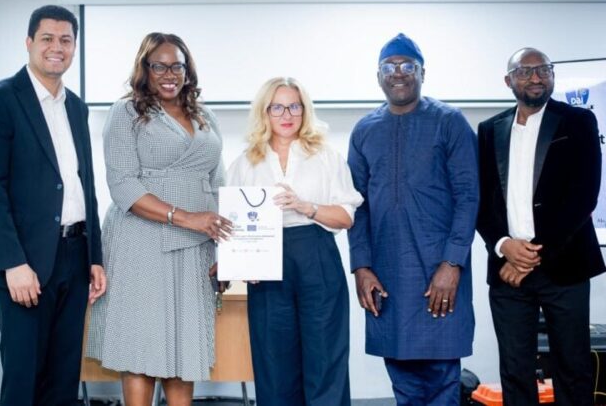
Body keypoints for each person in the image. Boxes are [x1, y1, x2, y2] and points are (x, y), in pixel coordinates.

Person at [0, 5, 106, 406]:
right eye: (47, 38)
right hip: (24, 263)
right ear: (29, 42)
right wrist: (12, 263)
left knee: (63, 381)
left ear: (75, 47)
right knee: (24, 380)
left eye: (65, 40)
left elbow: (85, 186)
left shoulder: (76, 106)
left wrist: (95, 256)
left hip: (74, 258)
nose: (56, 47)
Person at [85, 32, 232, 406]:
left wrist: (228, 255)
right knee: (142, 347)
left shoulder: (206, 115)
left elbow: (220, 186)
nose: (170, 74)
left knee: (185, 349)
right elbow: (122, 185)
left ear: (187, 70)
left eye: (177, 66)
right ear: (145, 69)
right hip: (140, 242)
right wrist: (186, 218)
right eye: (160, 66)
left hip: (195, 248)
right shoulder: (126, 112)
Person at [347, 33, 479, 405]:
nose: (399, 73)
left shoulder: (449, 122)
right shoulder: (365, 130)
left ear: (423, 73)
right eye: (389, 67)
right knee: (402, 380)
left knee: (441, 379)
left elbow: (469, 197)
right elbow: (356, 205)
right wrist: (361, 267)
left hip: (439, 268)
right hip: (387, 272)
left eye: (408, 66)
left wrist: (452, 264)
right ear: (378, 76)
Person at [476, 47, 605, 406]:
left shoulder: (578, 121)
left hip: (564, 267)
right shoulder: (488, 130)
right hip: (507, 272)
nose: (536, 77)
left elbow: (583, 196)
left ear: (552, 75)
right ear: (508, 81)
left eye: (543, 70)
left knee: (572, 368)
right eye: (525, 71)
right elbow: (481, 200)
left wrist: (530, 256)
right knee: (514, 370)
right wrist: (503, 245)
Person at [227, 77, 363, 406]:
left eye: (294, 107)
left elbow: (346, 217)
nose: (286, 115)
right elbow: (232, 223)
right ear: (264, 112)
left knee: (325, 358)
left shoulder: (326, 156)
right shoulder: (245, 162)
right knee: (274, 364)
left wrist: (306, 206)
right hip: (266, 266)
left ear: (305, 110)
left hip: (317, 255)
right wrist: (243, 263)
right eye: (277, 107)